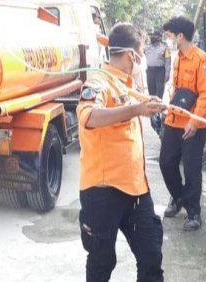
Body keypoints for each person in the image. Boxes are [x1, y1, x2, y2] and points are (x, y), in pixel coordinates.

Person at [77, 23, 166, 282]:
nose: (142, 63)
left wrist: (148, 103)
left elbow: (135, 105)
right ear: (131, 56)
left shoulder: (127, 85)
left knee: (151, 257)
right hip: (103, 191)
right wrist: (136, 110)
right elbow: (90, 117)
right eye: (141, 56)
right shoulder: (97, 83)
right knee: (102, 262)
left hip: (137, 190)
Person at [159, 16, 206, 231]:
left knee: (192, 170)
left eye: (170, 36)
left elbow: (205, 95)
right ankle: (179, 197)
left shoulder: (202, 59)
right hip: (174, 120)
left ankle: (193, 212)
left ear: (180, 36)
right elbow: (174, 88)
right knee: (166, 162)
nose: (168, 39)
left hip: (194, 125)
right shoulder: (177, 58)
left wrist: (193, 121)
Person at [145, 31, 169, 99]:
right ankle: (152, 109)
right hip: (149, 71)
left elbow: (168, 62)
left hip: (160, 72)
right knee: (151, 93)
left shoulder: (165, 48)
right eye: (151, 36)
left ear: (159, 38)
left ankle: (159, 109)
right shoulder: (147, 47)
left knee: (159, 93)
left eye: (154, 36)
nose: (152, 37)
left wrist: (167, 73)